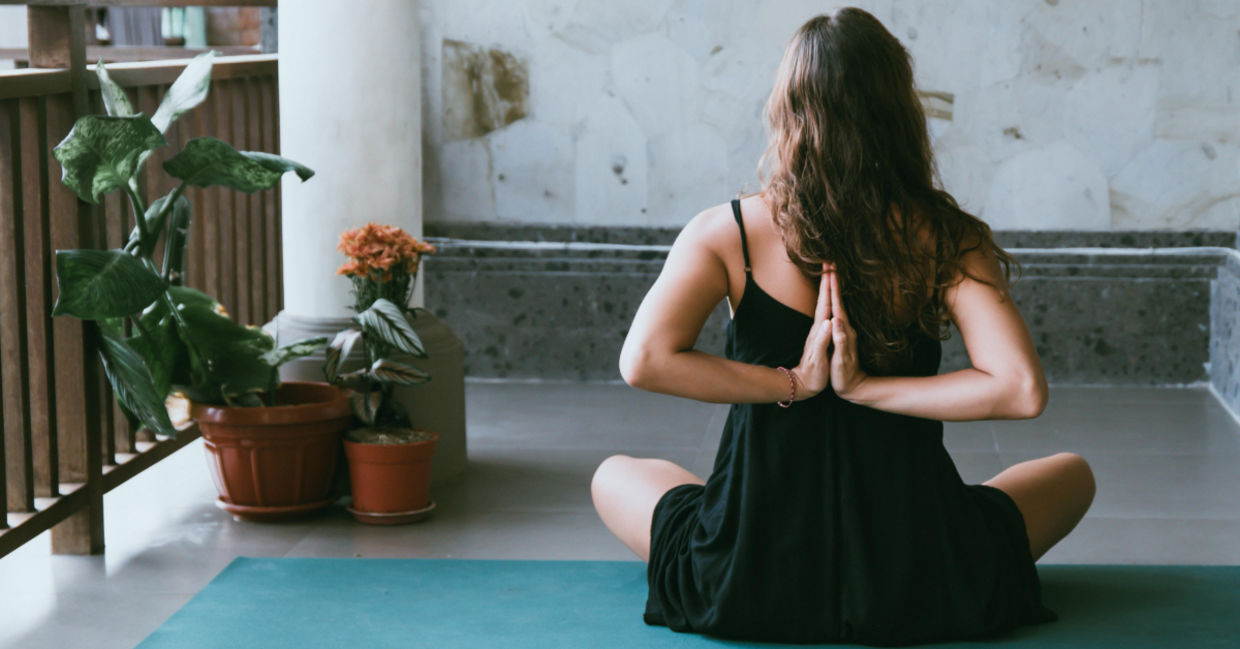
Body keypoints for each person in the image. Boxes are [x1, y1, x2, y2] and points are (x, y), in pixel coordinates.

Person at [590, 8, 1096, 646]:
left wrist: (796, 383)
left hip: (749, 574)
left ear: (787, 110)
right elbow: (1021, 390)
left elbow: (643, 362)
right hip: (921, 575)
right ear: (897, 111)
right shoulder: (946, 237)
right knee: (1073, 472)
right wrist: (866, 388)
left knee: (614, 473)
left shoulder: (727, 232)